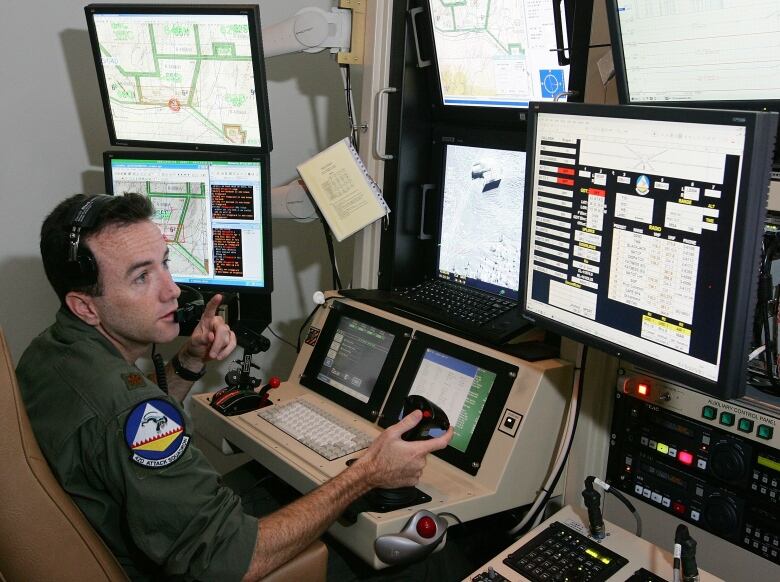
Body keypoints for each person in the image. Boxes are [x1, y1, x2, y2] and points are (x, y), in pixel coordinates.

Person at [16, 193, 453, 581]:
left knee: (268, 481)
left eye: (164, 264)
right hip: (188, 565)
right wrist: (365, 474)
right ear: (85, 307)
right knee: (429, 559)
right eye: (140, 278)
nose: (173, 290)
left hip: (136, 536)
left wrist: (188, 363)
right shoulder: (129, 409)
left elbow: (118, 433)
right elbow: (227, 562)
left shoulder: (47, 353)